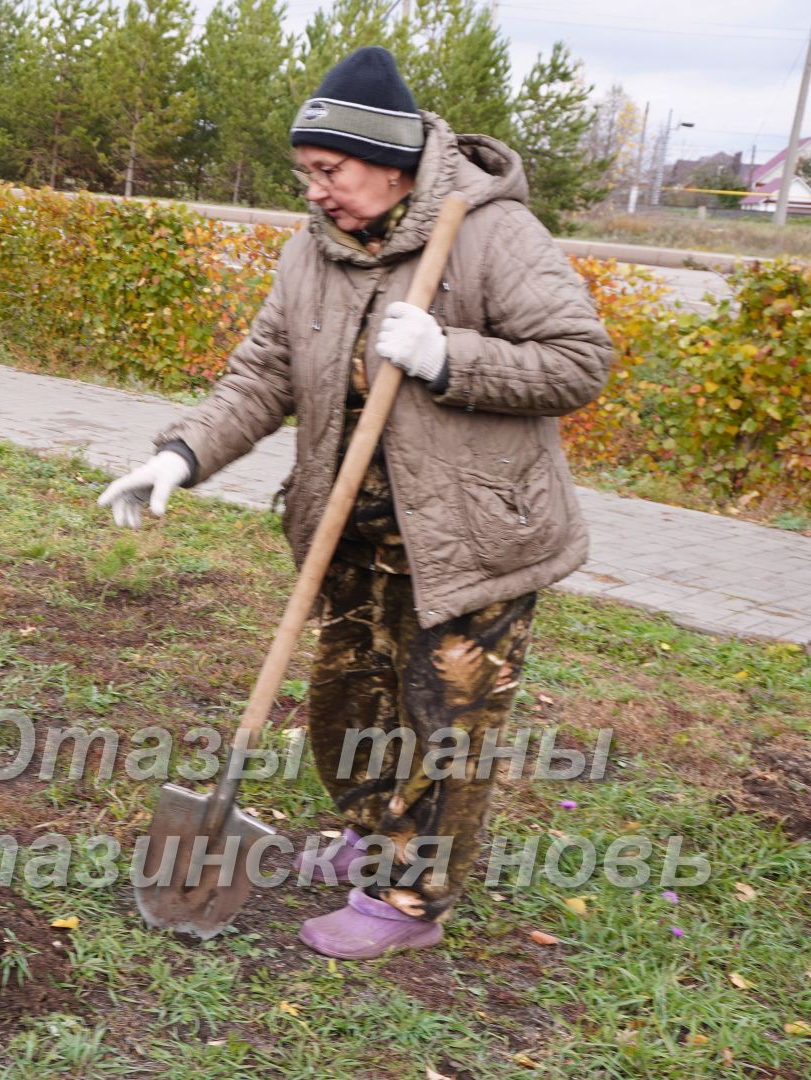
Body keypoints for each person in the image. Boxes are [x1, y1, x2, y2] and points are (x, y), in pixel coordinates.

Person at [98, 46, 612, 960]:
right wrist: (181, 456)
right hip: (353, 536)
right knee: (350, 708)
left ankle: (412, 901)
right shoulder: (313, 252)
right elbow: (261, 374)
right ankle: (374, 840)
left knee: (447, 725)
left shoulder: (492, 235)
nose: (316, 193)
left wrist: (454, 358)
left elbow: (579, 361)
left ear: (390, 161)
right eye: (306, 175)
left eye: (328, 172)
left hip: (475, 542)